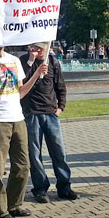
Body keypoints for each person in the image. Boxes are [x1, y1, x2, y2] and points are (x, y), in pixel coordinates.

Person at [0, 25, 48, 218]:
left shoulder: (14, 60)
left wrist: (36, 74)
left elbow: (20, 92)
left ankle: (14, 204)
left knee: (23, 165)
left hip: (17, 118)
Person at [19, 42, 79, 204]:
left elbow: (61, 86)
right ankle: (40, 189)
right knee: (34, 154)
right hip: (31, 113)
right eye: (34, 47)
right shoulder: (23, 61)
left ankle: (64, 187)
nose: (37, 51)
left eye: (40, 48)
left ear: (46, 48)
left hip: (50, 113)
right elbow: (20, 84)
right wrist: (31, 64)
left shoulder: (53, 61)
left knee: (59, 152)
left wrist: (60, 108)